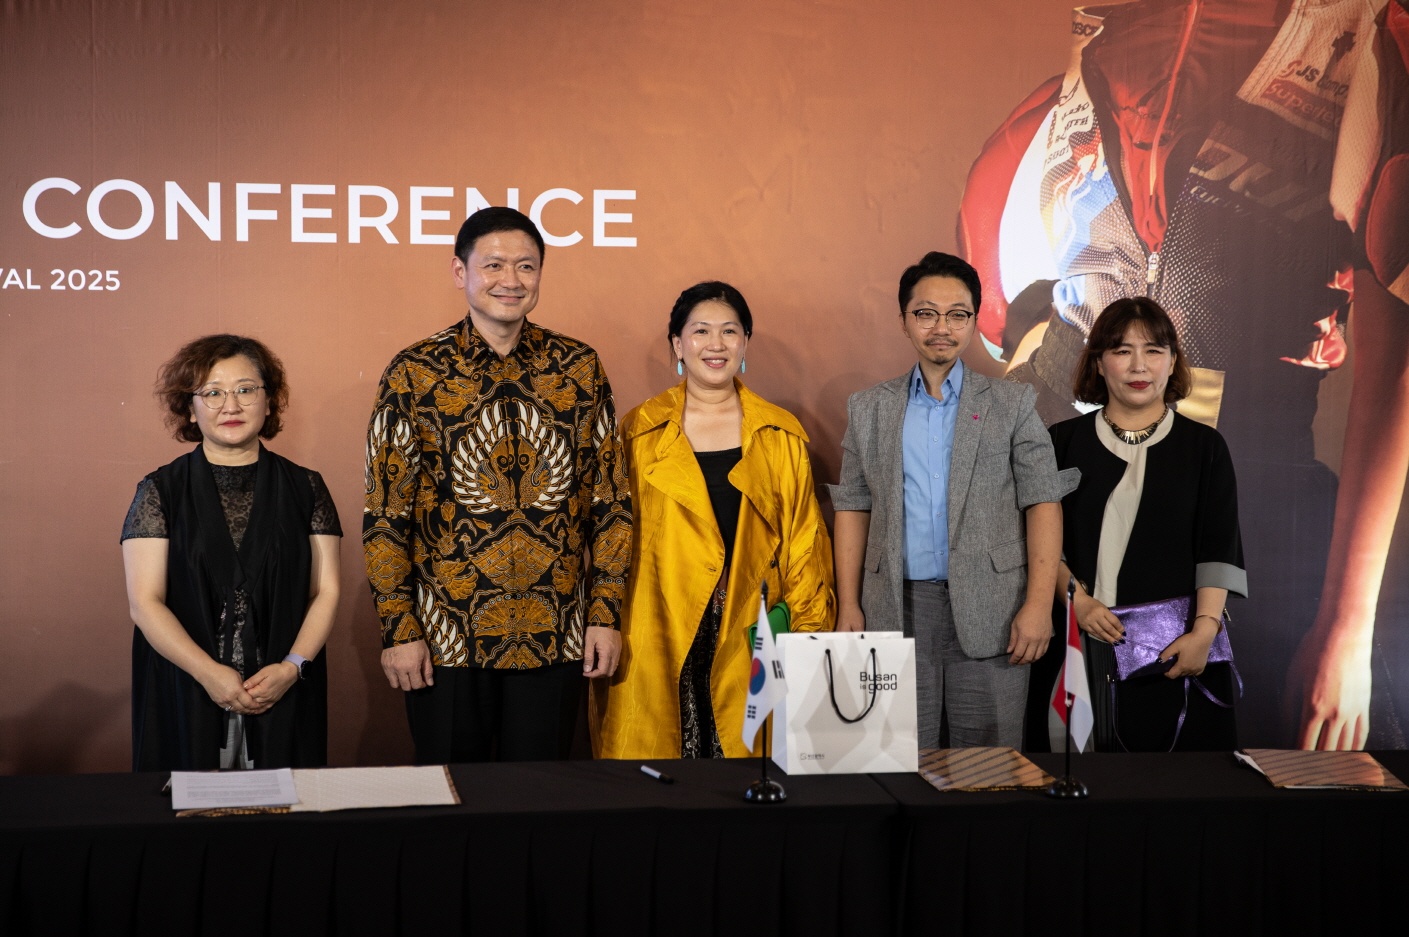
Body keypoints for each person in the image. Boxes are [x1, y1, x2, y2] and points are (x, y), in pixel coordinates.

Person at [957, 0, 1409, 750]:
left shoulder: (1361, 32)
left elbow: (1396, 349)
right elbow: (1033, 284)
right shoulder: (1106, 29)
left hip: (1249, 495)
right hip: (1074, 490)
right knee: (1070, 767)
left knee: (1234, 771)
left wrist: (1345, 625)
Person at [363, 206, 631, 764]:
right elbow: (386, 513)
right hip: (445, 637)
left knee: (540, 798)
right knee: (452, 795)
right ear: (460, 271)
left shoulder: (579, 368)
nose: (511, 280)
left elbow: (609, 503)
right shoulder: (414, 372)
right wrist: (398, 627)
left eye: (526, 266)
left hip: (557, 632)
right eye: (494, 265)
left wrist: (605, 614)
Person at [829, 252, 1071, 750]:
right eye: (926, 313)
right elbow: (852, 506)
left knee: (988, 767)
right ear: (904, 320)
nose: (942, 327)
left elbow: (1043, 502)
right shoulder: (869, 408)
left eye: (957, 314)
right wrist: (849, 603)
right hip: (894, 608)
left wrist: (1037, 604)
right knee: (896, 758)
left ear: (974, 321)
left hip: (995, 610)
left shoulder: (1012, 402)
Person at [594, 282, 836, 759]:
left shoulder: (778, 433)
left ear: (745, 342)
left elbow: (804, 541)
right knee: (665, 762)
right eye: (700, 331)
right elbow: (613, 536)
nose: (716, 344)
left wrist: (806, 629)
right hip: (659, 620)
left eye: (730, 331)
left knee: (745, 763)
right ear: (678, 344)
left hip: (751, 621)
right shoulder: (639, 431)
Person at [1033, 297, 1246, 752]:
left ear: (1172, 361)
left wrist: (1203, 632)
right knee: (1080, 777)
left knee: (1177, 783)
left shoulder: (1204, 447)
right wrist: (1078, 603)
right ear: (1098, 363)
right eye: (1121, 350)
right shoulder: (1060, 442)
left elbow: (1219, 549)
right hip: (1078, 642)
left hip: (1176, 650)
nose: (1138, 365)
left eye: (1153, 350)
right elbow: (1041, 545)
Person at [122, 335, 342, 770]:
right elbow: (145, 602)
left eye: (245, 389)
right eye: (213, 393)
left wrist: (292, 667)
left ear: (269, 400)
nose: (231, 406)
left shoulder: (306, 487)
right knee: (188, 802)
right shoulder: (160, 490)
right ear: (190, 408)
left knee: (284, 806)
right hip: (187, 682)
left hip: (283, 684)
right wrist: (208, 673)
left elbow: (327, 591)